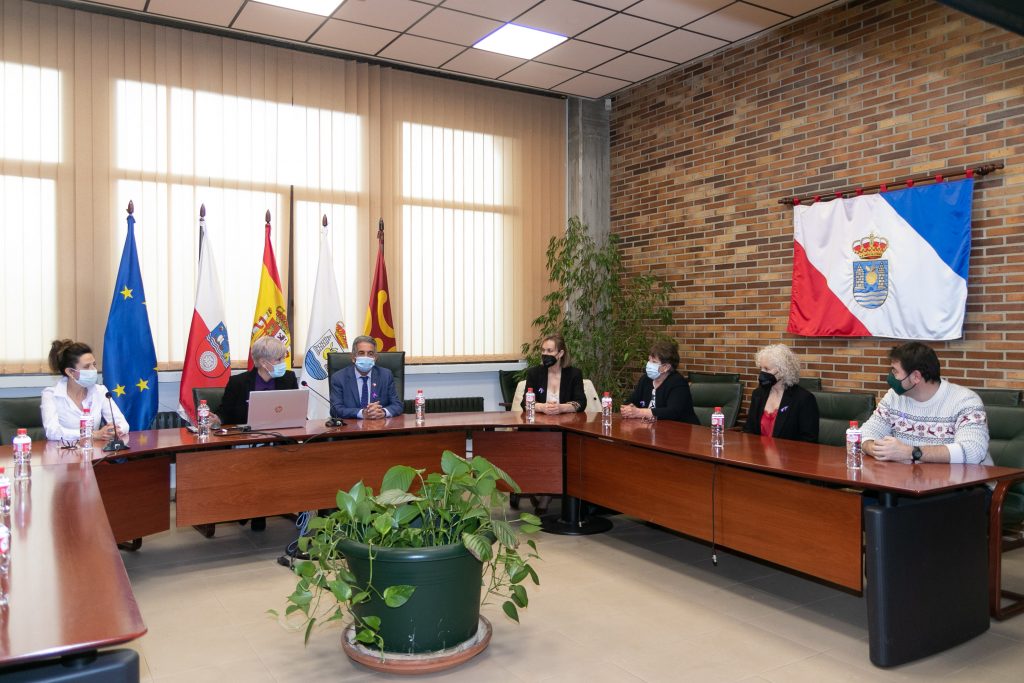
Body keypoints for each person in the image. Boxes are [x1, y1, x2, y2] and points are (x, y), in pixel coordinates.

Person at [862, 342, 991, 465]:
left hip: (963, 484)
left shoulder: (965, 401)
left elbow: (973, 451)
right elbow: (864, 434)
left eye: (895, 371)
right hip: (907, 481)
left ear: (916, 377)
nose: (891, 376)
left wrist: (911, 452)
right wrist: (875, 449)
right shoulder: (893, 397)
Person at [41, 339, 129, 442]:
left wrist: (113, 431)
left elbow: (123, 425)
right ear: (70, 372)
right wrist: (93, 435)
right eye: (87, 366)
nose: (93, 370)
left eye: (94, 364)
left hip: (94, 453)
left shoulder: (100, 391)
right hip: (62, 454)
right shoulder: (51, 395)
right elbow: (52, 432)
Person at [742, 344, 819, 443]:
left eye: (767, 369)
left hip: (790, 456)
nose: (762, 373)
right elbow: (749, 430)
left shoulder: (804, 399)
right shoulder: (758, 394)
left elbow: (809, 441)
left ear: (783, 371)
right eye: (761, 368)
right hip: (758, 455)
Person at [216, 336, 298, 426]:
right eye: (279, 359)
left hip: (281, 436)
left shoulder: (289, 378)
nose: (283, 363)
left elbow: (296, 410)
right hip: (248, 437)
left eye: (283, 358)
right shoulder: (238, 382)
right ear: (263, 362)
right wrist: (218, 419)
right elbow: (225, 413)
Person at [621, 339, 699, 424]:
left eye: (654, 362)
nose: (649, 364)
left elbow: (672, 412)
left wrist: (639, 412)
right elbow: (631, 401)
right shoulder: (645, 379)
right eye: (649, 360)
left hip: (680, 432)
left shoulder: (678, 383)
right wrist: (628, 409)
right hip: (651, 430)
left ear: (666, 367)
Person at [329, 335, 403, 419]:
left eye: (370, 354)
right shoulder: (339, 378)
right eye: (361, 353)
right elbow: (335, 410)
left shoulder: (385, 375)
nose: (366, 357)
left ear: (375, 358)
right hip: (351, 429)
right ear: (353, 357)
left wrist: (383, 412)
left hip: (380, 427)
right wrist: (362, 413)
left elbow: (397, 405)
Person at [521, 334, 587, 414]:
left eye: (549, 351)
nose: (545, 354)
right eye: (543, 350)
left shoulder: (574, 374)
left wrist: (561, 408)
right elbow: (525, 403)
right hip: (540, 423)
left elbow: (581, 403)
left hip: (565, 423)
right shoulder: (534, 373)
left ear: (560, 353)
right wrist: (542, 407)